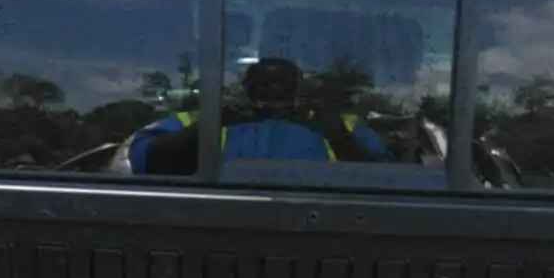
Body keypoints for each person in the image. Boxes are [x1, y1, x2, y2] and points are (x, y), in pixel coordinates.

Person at [129, 57, 389, 174]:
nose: (273, 91)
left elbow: (388, 177)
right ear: (247, 87)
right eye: (264, 84)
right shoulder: (201, 120)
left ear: (299, 89)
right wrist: (208, 126)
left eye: (282, 84)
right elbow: (143, 161)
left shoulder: (339, 125)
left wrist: (336, 134)